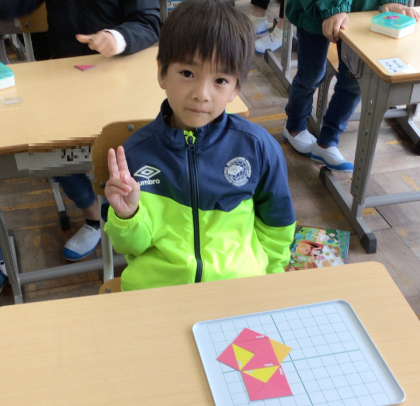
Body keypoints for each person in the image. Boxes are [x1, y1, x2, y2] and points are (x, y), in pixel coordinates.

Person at [102, 0, 296, 292]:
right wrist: (126, 216)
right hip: (158, 293)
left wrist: (270, 281)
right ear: (161, 73)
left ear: (236, 88)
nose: (201, 94)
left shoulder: (258, 147)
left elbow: (277, 229)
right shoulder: (135, 154)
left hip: (237, 292)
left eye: (220, 79)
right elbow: (132, 247)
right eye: (187, 74)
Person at [0, 0, 161, 261]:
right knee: (44, 147)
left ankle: (133, 213)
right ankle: (93, 215)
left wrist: (117, 37)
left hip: (121, 74)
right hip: (65, 76)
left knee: (129, 145)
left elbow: (149, 22)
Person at [283, 0, 420, 172]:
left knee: (353, 80)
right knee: (311, 74)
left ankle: (328, 141)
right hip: (319, 7)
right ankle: (294, 126)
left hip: (363, 10)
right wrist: (334, 8)